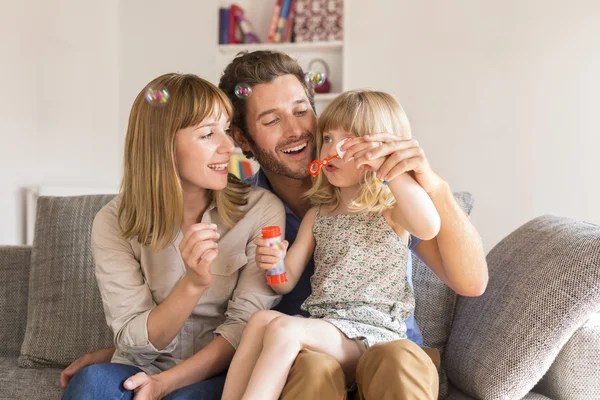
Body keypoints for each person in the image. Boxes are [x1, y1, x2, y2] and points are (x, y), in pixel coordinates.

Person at [62, 51, 489, 399]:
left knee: (393, 362)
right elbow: (241, 316)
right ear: (244, 140)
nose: (295, 130)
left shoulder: (378, 195)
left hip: (387, 349)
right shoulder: (251, 206)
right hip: (304, 360)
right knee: (310, 371)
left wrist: (431, 183)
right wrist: (123, 353)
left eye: (301, 111)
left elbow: (470, 282)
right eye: (270, 120)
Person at [61, 73, 285, 400]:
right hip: (141, 365)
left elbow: (244, 329)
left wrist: (167, 383)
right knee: (92, 383)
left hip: (219, 371)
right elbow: (133, 340)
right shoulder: (113, 222)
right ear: (163, 144)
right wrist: (192, 285)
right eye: (208, 134)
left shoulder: (260, 211)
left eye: (225, 131)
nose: (228, 146)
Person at [222, 89, 442, 400]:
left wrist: (389, 169)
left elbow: (429, 226)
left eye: (348, 143)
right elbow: (285, 284)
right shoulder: (318, 215)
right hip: (329, 334)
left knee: (285, 330)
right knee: (260, 321)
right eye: (326, 139)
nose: (330, 152)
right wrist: (274, 265)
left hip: (375, 337)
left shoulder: (392, 209)